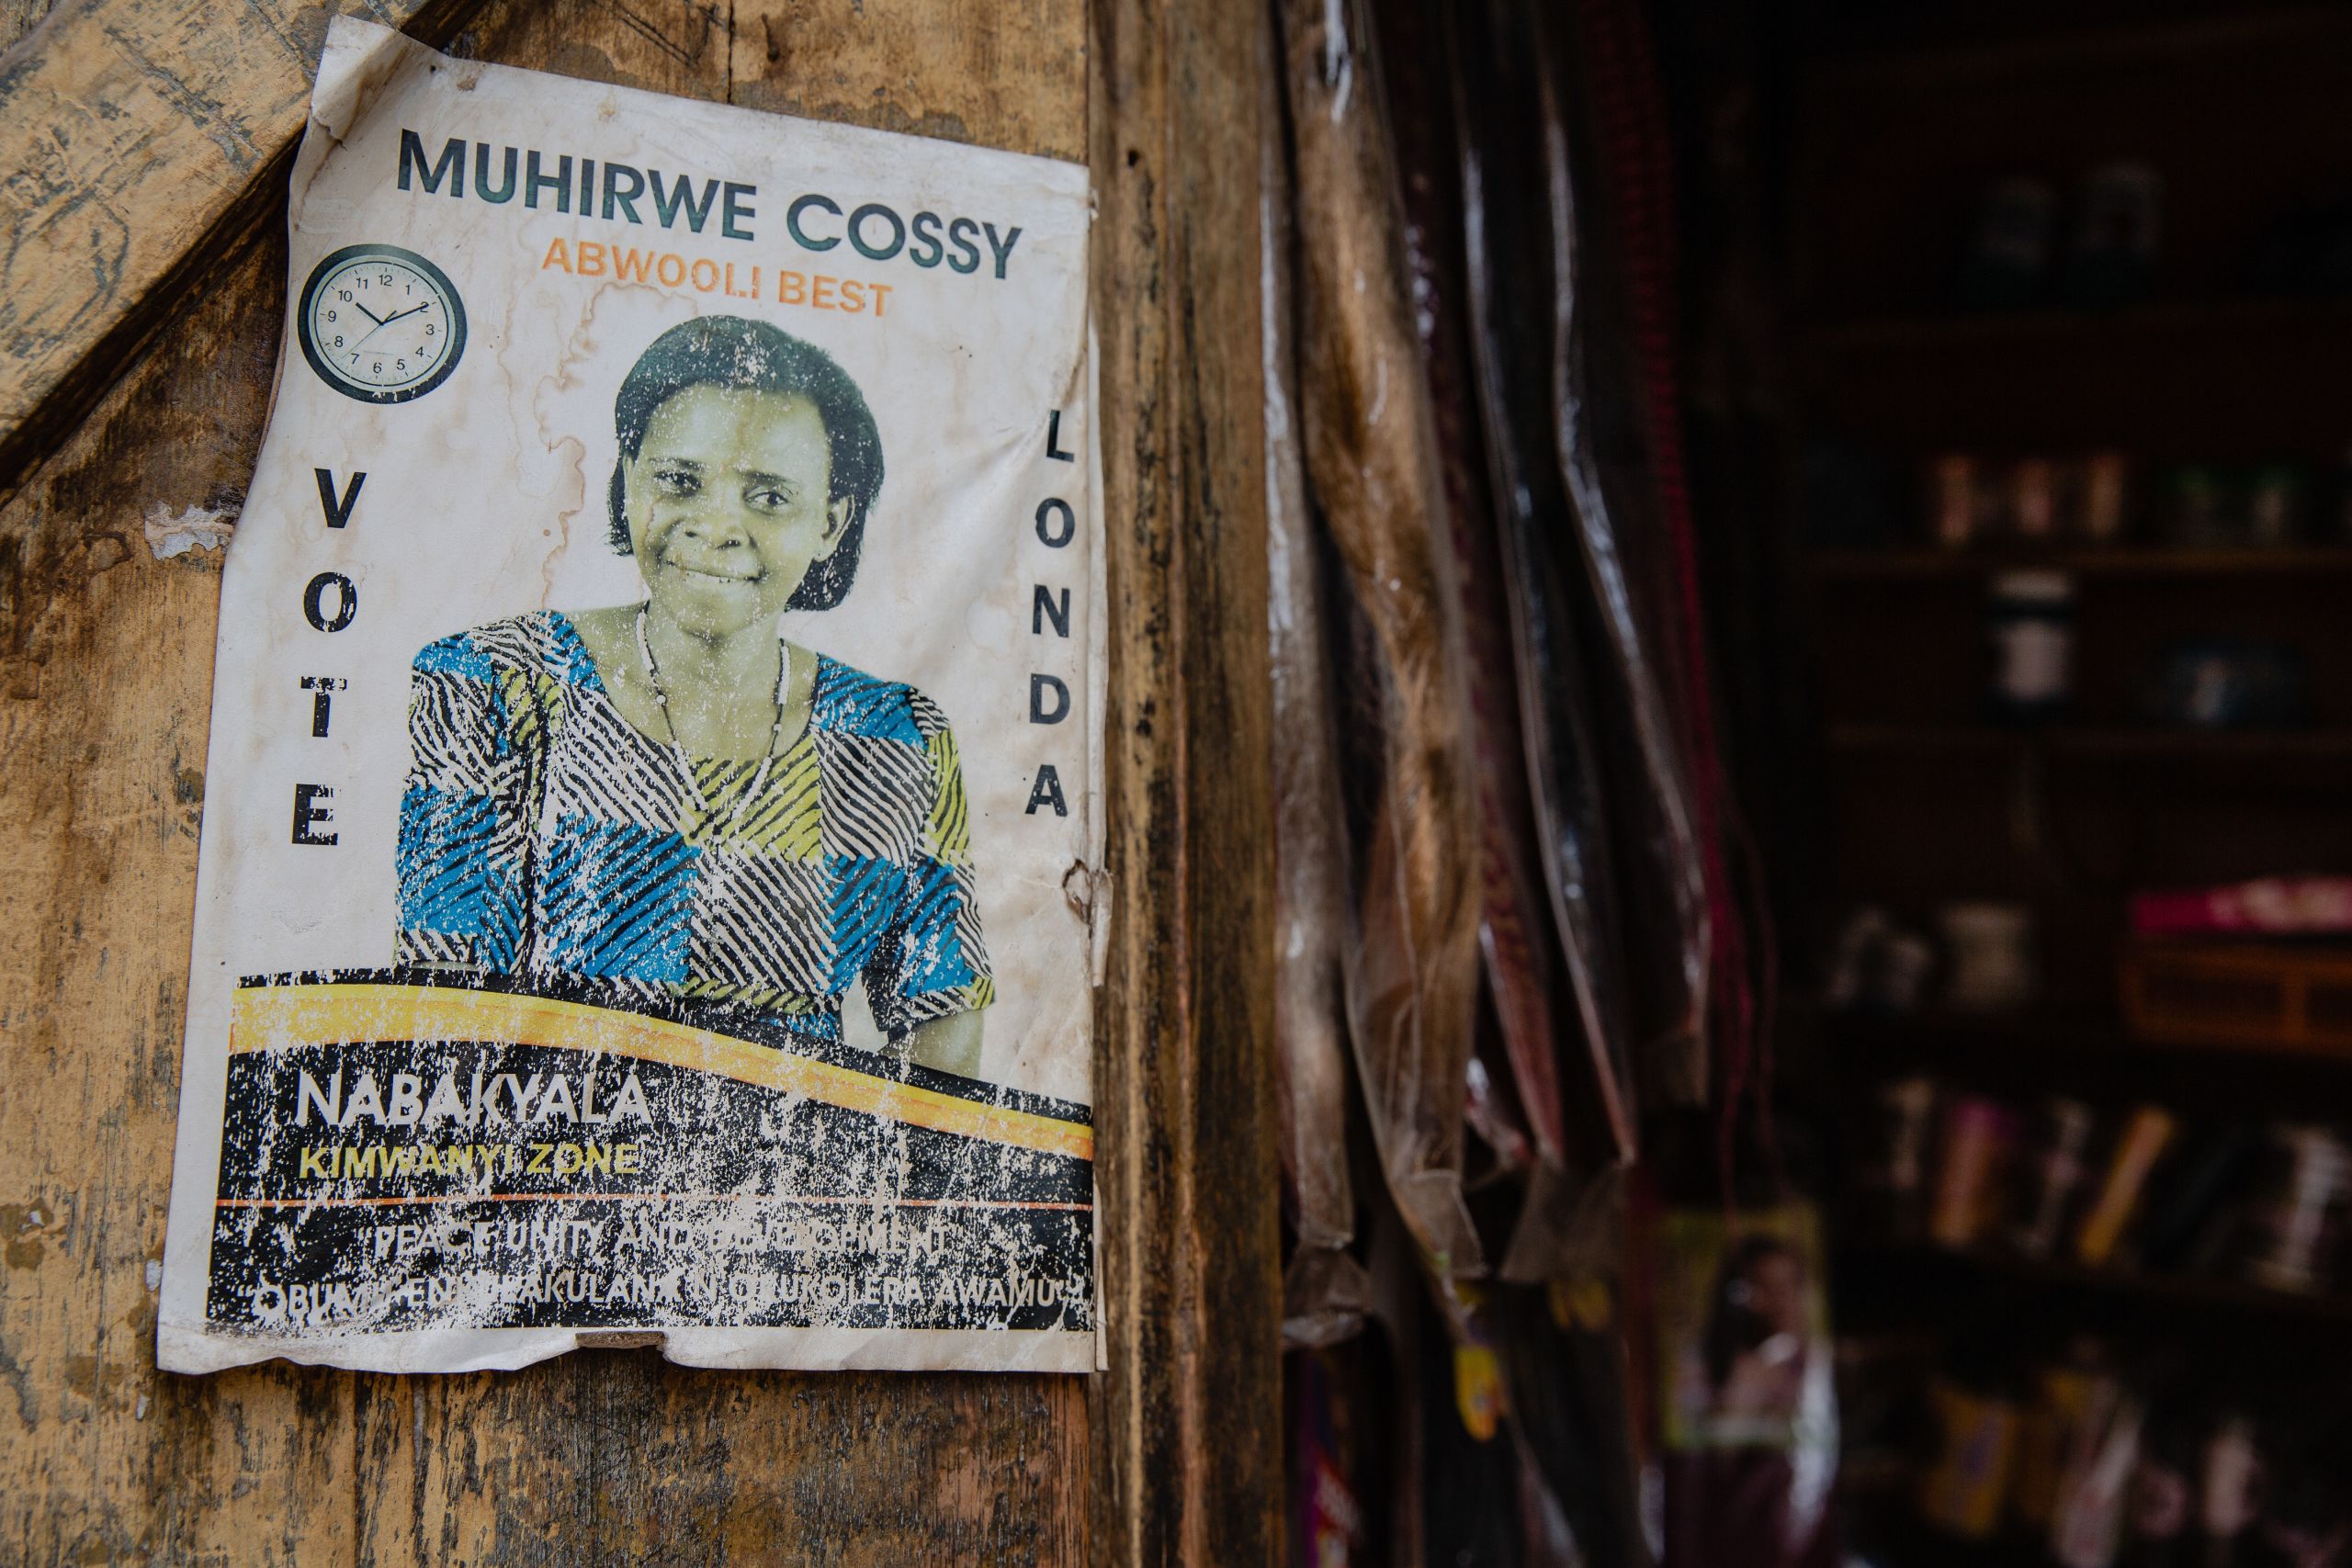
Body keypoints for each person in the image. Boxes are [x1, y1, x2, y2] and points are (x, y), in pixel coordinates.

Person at [395, 315, 992, 1077]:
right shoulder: (496, 683)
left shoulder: (897, 734)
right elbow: (443, 1008)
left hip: (792, 1183)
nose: (715, 527)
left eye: (769, 496)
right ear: (629, 481)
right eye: (678, 481)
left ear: (829, 524)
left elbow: (940, 1025)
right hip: (541, 1173)